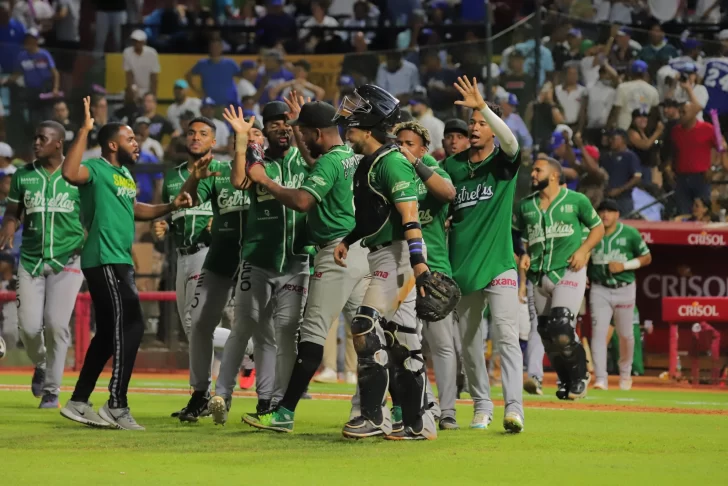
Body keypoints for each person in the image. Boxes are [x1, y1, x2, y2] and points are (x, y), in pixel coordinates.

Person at [239, 97, 372, 432]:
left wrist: (264, 180)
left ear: (317, 132)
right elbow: (315, 158)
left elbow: (301, 200)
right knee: (367, 335)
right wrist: (304, 128)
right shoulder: (352, 158)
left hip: (335, 252)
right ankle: (386, 410)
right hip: (362, 250)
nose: (297, 136)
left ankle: (283, 413)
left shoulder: (329, 163)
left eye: (303, 131)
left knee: (311, 335)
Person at [60, 97, 193, 430]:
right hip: (104, 259)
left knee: (107, 334)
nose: (137, 144)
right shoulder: (97, 168)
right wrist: (84, 129)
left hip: (119, 259)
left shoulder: (123, 175)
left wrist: (171, 206)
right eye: (131, 139)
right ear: (111, 144)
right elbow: (69, 172)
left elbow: (137, 210)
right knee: (131, 325)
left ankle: (78, 401)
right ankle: (116, 403)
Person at [323, 84, 436, 440]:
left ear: (370, 121)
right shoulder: (371, 162)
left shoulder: (391, 162)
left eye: (355, 113)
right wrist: (348, 240)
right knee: (402, 341)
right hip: (384, 252)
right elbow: (374, 217)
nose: (347, 120)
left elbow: (410, 215)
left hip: (400, 254)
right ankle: (418, 422)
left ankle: (375, 418)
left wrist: (418, 266)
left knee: (366, 327)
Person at [162, 115, 264, 422]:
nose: (195, 138)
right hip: (201, 254)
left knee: (199, 324)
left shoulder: (244, 171)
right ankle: (202, 394)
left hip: (224, 252)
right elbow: (186, 200)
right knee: (195, 326)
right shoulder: (185, 174)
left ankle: (253, 364)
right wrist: (164, 222)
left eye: (202, 133)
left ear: (216, 142)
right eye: (191, 133)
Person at [213, 100, 310, 418]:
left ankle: (273, 400)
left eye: (287, 122)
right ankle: (221, 396)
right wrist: (242, 139)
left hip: (296, 261)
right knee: (244, 327)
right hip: (257, 258)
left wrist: (302, 121)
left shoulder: (307, 161)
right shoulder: (258, 159)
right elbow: (239, 181)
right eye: (274, 124)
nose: (282, 127)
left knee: (284, 331)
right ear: (265, 131)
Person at [442, 76, 524, 433]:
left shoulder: (503, 164)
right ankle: (481, 405)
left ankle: (514, 409)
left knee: (506, 336)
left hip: (499, 264)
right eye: (472, 122)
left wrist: (484, 107)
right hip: (462, 268)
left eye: (480, 123)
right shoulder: (452, 168)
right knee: (471, 344)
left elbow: (511, 141)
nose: (475, 127)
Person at [0, 120, 84, 409]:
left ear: (58, 143)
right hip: (32, 258)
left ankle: (52, 390)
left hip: (69, 258)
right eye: (35, 137)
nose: (36, 143)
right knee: (29, 328)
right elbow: (13, 210)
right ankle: (42, 362)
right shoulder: (24, 174)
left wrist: (85, 240)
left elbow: (92, 215)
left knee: (57, 324)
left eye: (42, 138)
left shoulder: (77, 175)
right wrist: (10, 224)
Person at [390, 120, 465, 430]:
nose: (402, 148)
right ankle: (426, 403)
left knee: (442, 344)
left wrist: (417, 163)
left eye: (409, 143)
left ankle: (447, 410)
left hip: (433, 269)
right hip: (397, 268)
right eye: (399, 143)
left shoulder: (432, 167)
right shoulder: (388, 170)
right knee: (401, 342)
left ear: (422, 148)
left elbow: (448, 193)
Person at [514, 155, 604, 401]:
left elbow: (598, 228)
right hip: (538, 276)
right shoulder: (526, 205)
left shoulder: (576, 200)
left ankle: (580, 377)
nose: (533, 174)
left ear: (554, 175)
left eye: (538, 170)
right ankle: (565, 380)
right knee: (546, 333)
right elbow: (519, 239)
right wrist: (522, 254)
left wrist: (584, 250)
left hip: (568, 271)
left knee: (563, 327)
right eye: (533, 171)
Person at [588, 199, 651, 391]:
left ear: (617, 214)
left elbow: (647, 257)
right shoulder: (591, 233)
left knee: (626, 335)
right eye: (602, 211)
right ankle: (601, 378)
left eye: (610, 211)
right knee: (598, 334)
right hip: (599, 288)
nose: (605, 214)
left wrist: (624, 266)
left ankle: (625, 374)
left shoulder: (629, 233)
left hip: (625, 288)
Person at [601, 129, 643, 215]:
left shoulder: (630, 156)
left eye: (613, 138)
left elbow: (637, 178)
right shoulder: (606, 157)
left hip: (624, 199)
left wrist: (620, 190)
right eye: (610, 139)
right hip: (607, 198)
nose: (610, 141)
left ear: (623, 139)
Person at [122, 29, 160, 96]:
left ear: (144, 42)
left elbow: (154, 77)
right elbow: (129, 75)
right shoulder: (127, 52)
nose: (137, 43)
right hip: (134, 88)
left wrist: (153, 94)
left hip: (148, 89)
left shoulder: (152, 53)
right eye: (135, 41)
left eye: (139, 41)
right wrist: (132, 90)